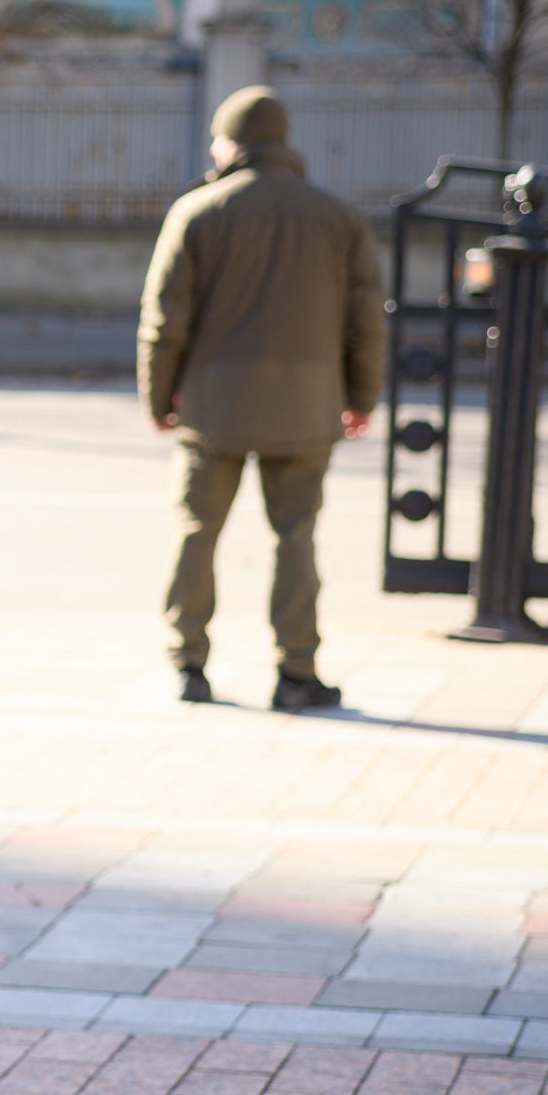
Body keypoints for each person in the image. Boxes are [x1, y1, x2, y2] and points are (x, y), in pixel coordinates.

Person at [137, 85, 383, 712]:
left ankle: (188, 665)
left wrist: (157, 397)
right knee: (296, 536)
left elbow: (165, 321)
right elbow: (367, 320)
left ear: (232, 144)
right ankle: (297, 673)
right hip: (307, 405)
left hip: (213, 406)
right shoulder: (337, 217)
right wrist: (362, 396)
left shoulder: (198, 213)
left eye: (216, 140)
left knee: (198, 531)